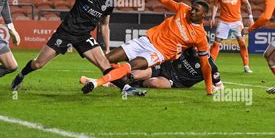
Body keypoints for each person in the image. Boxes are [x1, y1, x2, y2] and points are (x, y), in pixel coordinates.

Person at [81, 0, 214, 96]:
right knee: (107, 59)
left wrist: (209, 89)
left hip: (158, 53)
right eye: (193, 8)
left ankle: (98, 83)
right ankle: (115, 82)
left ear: (204, 15)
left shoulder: (201, 36)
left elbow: (205, 66)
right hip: (146, 40)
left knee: (130, 66)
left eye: (197, 10)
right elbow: (165, 0)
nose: (192, 11)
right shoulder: (183, 9)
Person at [10, 0, 144, 95]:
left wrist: (107, 48)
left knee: (104, 64)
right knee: (38, 64)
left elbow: (104, 25)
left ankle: (126, 89)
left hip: (84, 36)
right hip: (65, 32)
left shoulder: (109, 2)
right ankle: (21, 75)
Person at [80, 47, 224, 90]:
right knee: (134, 74)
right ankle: (104, 81)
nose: (197, 49)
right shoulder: (189, 49)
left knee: (153, 83)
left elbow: (220, 86)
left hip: (175, 82)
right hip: (163, 67)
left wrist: (212, 88)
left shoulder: (211, 66)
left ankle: (110, 82)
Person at [210, 0, 254, 73]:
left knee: (242, 43)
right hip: (223, 21)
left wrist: (250, 17)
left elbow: (247, 4)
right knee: (216, 42)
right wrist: (213, 17)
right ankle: (211, 64)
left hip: (237, 22)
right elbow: (216, 5)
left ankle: (246, 66)